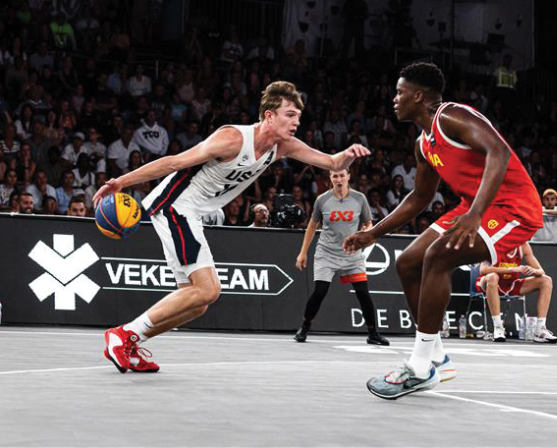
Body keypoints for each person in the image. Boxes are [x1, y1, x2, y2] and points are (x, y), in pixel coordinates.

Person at [93, 81, 370, 373]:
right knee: (209, 290)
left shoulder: (282, 147)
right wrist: (121, 182)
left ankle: (130, 342)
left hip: (191, 214)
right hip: (174, 207)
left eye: (298, 117)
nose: (296, 122)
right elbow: (174, 162)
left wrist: (349, 154)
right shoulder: (232, 139)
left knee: (197, 303)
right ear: (269, 116)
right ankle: (122, 335)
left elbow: (331, 161)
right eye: (290, 115)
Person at [343, 62, 543, 400]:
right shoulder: (424, 143)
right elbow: (420, 197)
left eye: (400, 93)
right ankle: (436, 357)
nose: (394, 99)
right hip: (473, 207)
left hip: (512, 207)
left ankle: (420, 367)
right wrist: (375, 232)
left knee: (437, 257)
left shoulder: (451, 116)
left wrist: (476, 213)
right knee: (408, 262)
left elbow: (500, 152)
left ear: (418, 96)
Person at [294, 168, 389, 346]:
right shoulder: (322, 200)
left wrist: (364, 236)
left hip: (351, 253)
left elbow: (369, 224)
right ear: (330, 178)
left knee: (363, 293)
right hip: (326, 253)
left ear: (348, 177)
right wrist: (303, 252)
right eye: (335, 176)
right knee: (320, 292)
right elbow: (312, 226)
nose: (339, 179)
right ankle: (304, 327)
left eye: (341, 175)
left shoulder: (360, 198)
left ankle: (373, 333)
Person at [476, 241, 557, 343]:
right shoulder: (494, 242)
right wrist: (513, 269)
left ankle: (540, 330)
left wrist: (533, 270)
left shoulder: (523, 245)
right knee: (492, 277)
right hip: (489, 283)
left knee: (546, 280)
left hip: (511, 284)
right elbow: (483, 270)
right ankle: (498, 328)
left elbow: (541, 271)